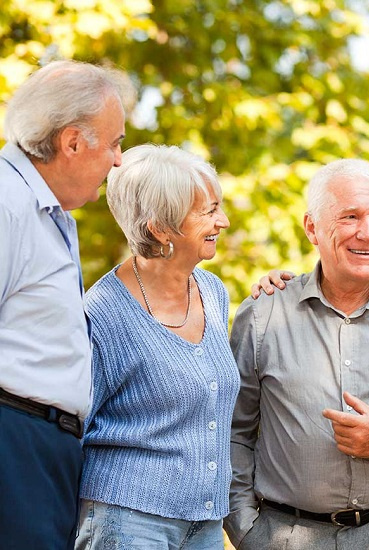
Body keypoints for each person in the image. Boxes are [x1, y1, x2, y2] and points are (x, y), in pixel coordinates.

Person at [226, 159, 369, 549]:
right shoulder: (264, 313)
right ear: (311, 227)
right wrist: (245, 529)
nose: (368, 234)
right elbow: (234, 431)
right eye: (350, 216)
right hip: (283, 537)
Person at [74, 144, 239, 547]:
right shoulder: (103, 313)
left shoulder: (212, 292)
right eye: (208, 211)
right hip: (126, 521)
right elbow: (74, 427)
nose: (224, 221)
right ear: (159, 228)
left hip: (204, 522)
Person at [0, 60, 133, 548]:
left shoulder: (47, 210)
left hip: (41, 451)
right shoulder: (6, 200)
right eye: (115, 142)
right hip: (13, 443)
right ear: (72, 142)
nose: (119, 159)